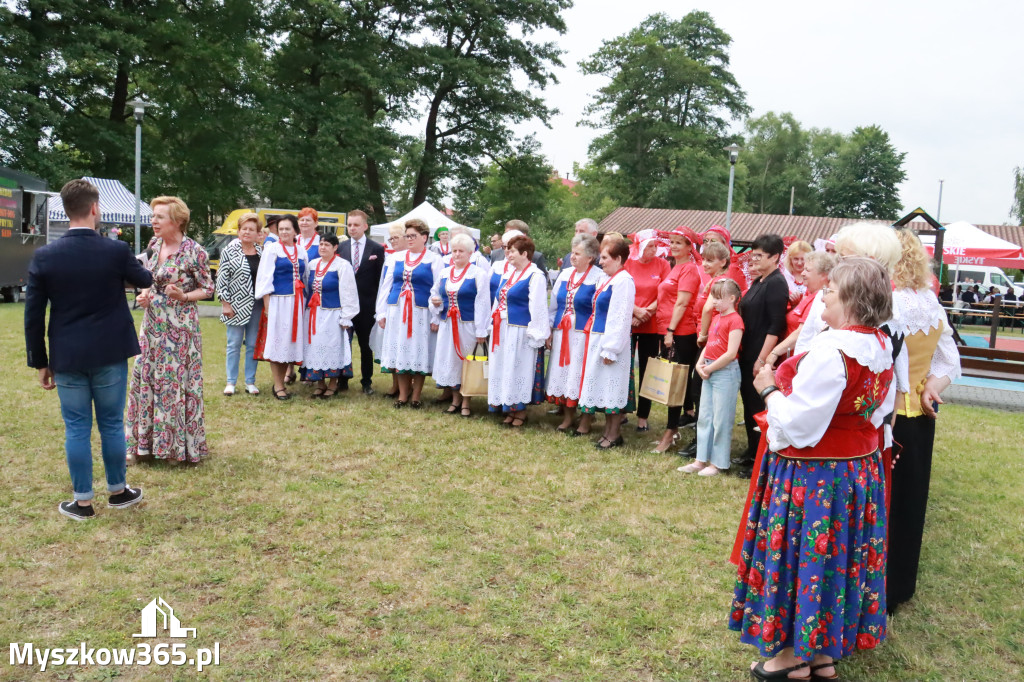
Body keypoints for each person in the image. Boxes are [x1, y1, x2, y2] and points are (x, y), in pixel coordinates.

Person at [731, 257, 895, 682]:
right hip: (856, 472)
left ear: (851, 301)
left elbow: (796, 427)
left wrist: (767, 388)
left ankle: (791, 657)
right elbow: (879, 413)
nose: (822, 293)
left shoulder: (833, 350)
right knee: (833, 560)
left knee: (802, 558)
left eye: (831, 290)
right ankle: (821, 654)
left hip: (816, 475)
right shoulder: (878, 345)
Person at [24, 179, 150, 520]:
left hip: (67, 355)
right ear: (95, 208)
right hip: (109, 351)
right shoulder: (115, 251)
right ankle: (119, 491)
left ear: (66, 211)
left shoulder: (46, 256)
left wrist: (40, 361)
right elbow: (145, 280)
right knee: (110, 423)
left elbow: (33, 316)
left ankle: (82, 502)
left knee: (76, 426)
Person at [887, 229, 961, 614]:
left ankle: (879, 587)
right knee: (911, 501)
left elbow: (891, 364)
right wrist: (932, 385)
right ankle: (900, 585)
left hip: (891, 417)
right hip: (921, 417)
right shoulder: (931, 301)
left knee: (885, 503)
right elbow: (951, 361)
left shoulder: (890, 304)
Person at [127, 195, 215, 464]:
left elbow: (209, 289)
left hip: (180, 329)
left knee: (174, 384)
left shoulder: (195, 251)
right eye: (153, 216)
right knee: (147, 379)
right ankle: (143, 445)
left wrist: (184, 296)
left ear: (177, 221)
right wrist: (144, 295)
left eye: (159, 217)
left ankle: (175, 448)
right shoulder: (154, 244)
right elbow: (149, 280)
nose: (153, 221)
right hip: (152, 325)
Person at [377, 219, 444, 407]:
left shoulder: (434, 259)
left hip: (420, 313)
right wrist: (381, 312)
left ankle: (416, 396)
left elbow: (438, 289)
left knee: (417, 351)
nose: (409, 239)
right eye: (407, 236)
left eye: (413, 236)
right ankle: (402, 395)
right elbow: (386, 286)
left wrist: (436, 316)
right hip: (397, 311)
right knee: (400, 351)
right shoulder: (396, 258)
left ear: (424, 237)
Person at [679, 278, 743, 476]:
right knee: (705, 416)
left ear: (732, 298)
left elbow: (731, 352)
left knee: (721, 419)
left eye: (718, 298)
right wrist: (700, 363)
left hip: (725, 373)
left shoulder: (735, 321)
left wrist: (710, 368)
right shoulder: (717, 318)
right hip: (709, 369)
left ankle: (718, 462)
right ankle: (700, 459)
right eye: (712, 297)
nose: (713, 302)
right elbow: (710, 342)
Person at [735, 234, 789, 467]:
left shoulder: (776, 282)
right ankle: (751, 451)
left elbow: (776, 325)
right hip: (748, 351)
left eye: (759, 255)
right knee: (748, 404)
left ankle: (760, 458)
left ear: (775, 257)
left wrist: (762, 358)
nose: (753, 260)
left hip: (759, 352)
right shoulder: (759, 281)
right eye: (752, 255)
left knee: (758, 406)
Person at [577, 238, 636, 448]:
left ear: (618, 259)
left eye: (604, 258)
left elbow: (620, 317)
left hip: (612, 342)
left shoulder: (624, 281)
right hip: (598, 337)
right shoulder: (608, 279)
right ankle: (607, 432)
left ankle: (614, 434)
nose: (600, 262)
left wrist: (611, 349)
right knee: (603, 386)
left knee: (613, 388)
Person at [488, 234, 550, 426]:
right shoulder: (510, 274)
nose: (508, 254)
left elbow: (538, 307)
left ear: (525, 254)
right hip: (503, 328)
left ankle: (520, 409)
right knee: (505, 367)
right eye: (508, 250)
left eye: (513, 251)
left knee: (518, 368)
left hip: (520, 330)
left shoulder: (535, 275)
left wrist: (536, 333)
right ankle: (508, 406)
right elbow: (498, 300)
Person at [429, 233, 492, 416]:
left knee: (466, 362)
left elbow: (482, 302)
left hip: (468, 325)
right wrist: (435, 302)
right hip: (448, 324)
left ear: (470, 253)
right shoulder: (445, 272)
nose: (457, 254)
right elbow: (435, 293)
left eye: (461, 251)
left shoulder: (478, 274)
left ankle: (466, 401)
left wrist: (481, 329)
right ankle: (455, 399)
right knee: (450, 361)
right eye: (454, 251)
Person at [652, 227, 703, 454]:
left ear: (689, 247)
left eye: (679, 243)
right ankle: (672, 429)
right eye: (672, 242)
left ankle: (670, 431)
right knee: (670, 382)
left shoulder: (689, 270)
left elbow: (682, 303)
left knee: (676, 384)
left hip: (681, 332)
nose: (673, 246)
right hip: (668, 331)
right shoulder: (676, 267)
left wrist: (671, 330)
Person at [546, 234, 602, 432]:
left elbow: (599, 308)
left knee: (581, 374)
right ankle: (568, 416)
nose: (573, 257)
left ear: (590, 257)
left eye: (578, 254)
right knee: (563, 374)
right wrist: (550, 331)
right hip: (563, 333)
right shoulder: (565, 274)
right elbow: (553, 306)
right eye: (573, 252)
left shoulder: (598, 277)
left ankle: (586, 418)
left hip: (583, 335)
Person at [255, 214, 308, 400]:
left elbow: (305, 277)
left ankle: (284, 381)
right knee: (278, 342)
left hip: (297, 303)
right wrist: (268, 307)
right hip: (279, 301)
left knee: (289, 343)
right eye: (281, 229)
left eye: (288, 229)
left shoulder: (301, 251)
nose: (284, 232)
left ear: (295, 231)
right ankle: (278, 385)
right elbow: (264, 279)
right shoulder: (272, 249)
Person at [624, 236, 672, 433]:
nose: (654, 249)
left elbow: (665, 293)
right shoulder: (628, 263)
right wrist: (635, 311)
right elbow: (622, 289)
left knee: (647, 370)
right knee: (624, 369)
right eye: (650, 246)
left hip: (651, 325)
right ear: (640, 246)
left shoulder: (662, 265)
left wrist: (645, 314)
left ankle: (643, 416)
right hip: (628, 321)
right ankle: (621, 411)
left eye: (655, 245)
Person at [303, 234, 359, 398]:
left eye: (327, 244)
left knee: (332, 347)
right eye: (321, 244)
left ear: (335, 247)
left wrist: (346, 316)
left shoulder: (342, 265)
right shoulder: (313, 264)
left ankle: (333, 383)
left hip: (333, 313)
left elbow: (349, 292)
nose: (323, 247)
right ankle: (320, 383)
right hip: (314, 313)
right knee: (314, 346)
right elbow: (308, 287)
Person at [338, 209, 385, 394]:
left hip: (367, 305)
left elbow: (380, 279)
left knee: (366, 346)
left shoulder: (376, 249)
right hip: (346, 306)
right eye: (349, 225)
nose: (352, 228)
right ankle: (342, 380)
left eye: (356, 225)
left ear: (365, 226)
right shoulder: (341, 248)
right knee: (344, 343)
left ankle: (367, 382)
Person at [216, 212, 263, 396]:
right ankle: (231, 382)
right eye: (244, 229)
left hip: (257, 306)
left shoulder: (262, 252)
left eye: (251, 229)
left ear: (257, 233)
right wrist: (225, 304)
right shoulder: (229, 251)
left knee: (252, 344)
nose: (247, 232)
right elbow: (222, 280)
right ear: (239, 231)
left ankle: (250, 381)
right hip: (235, 305)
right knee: (234, 344)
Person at [768, 251, 836, 362]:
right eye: (804, 269)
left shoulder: (820, 299)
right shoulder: (808, 295)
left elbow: (800, 332)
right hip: (792, 358)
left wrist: (774, 352)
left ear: (824, 275)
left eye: (807, 270)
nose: (802, 273)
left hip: (800, 360)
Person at [703, 225, 748, 292]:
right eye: (706, 240)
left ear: (724, 244)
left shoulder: (733, 268)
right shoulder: (702, 265)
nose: (708, 243)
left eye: (713, 241)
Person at [782, 240, 812, 304]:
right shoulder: (783, 276)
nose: (799, 263)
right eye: (796, 259)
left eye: (803, 259)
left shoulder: (815, 277)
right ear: (790, 259)